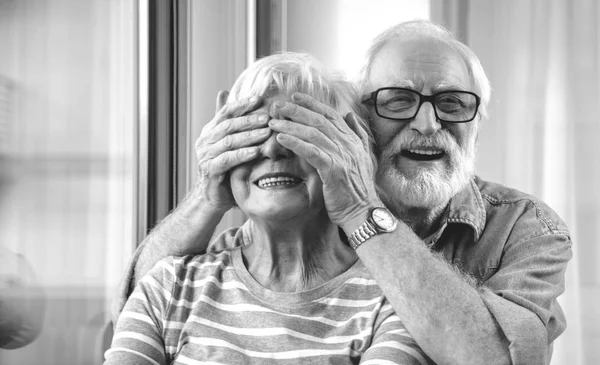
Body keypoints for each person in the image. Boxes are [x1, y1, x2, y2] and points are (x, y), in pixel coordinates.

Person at [113, 20, 572, 365]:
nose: (428, 124)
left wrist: (359, 208)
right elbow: (143, 308)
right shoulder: (298, 214)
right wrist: (209, 191)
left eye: (453, 103)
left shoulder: (526, 227)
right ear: (358, 122)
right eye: (398, 100)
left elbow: (495, 360)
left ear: (477, 121)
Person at [105, 52, 433, 365]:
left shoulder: (393, 303)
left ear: (353, 155)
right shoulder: (168, 285)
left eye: (298, 129)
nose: (273, 149)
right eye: (253, 130)